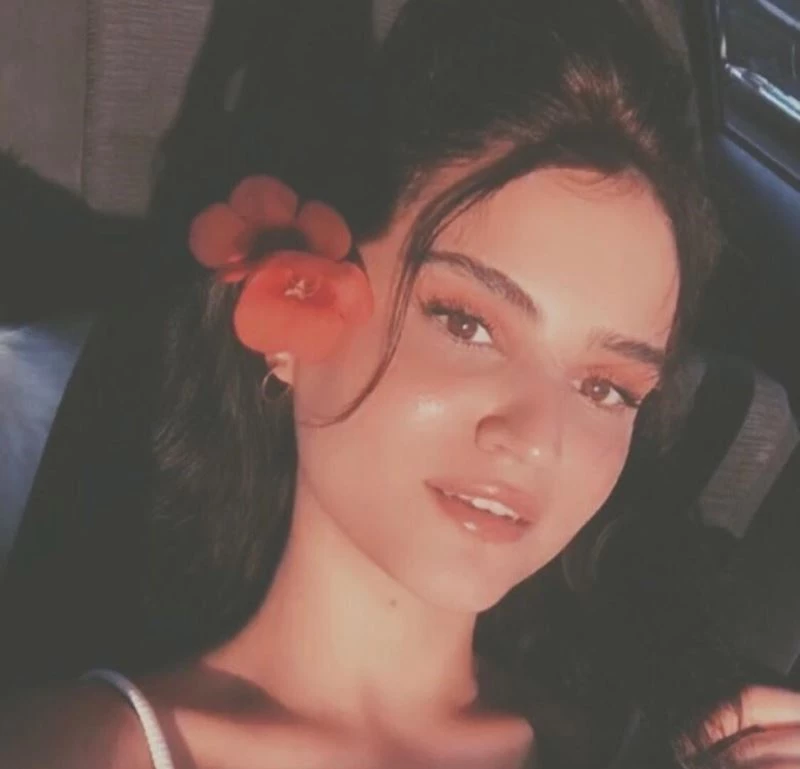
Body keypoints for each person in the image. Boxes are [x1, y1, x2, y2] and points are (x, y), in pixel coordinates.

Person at [4, 1, 800, 767]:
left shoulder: (638, 744)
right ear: (288, 314)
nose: (535, 439)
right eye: (466, 324)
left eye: (605, 388)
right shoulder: (87, 750)